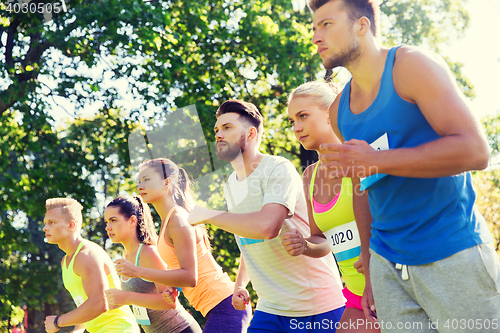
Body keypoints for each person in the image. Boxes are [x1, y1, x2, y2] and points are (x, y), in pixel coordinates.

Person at [308, 0, 500, 330]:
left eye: (326, 24)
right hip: (387, 267)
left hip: (452, 250)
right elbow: (362, 187)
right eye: (313, 28)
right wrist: (369, 267)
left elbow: (475, 151)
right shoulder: (339, 110)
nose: (315, 37)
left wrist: (377, 160)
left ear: (362, 25)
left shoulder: (411, 66)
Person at [189, 100, 346, 332]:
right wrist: (240, 283)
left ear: (251, 133)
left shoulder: (277, 168)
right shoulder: (231, 185)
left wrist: (209, 215)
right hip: (270, 309)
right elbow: (249, 238)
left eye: (227, 128)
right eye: (217, 130)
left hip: (317, 307)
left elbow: (266, 227)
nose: (219, 135)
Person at [282, 81, 379, 333]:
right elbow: (322, 240)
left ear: (330, 113)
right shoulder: (309, 176)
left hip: (388, 286)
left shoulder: (364, 155)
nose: (296, 127)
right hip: (356, 295)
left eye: (303, 116)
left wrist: (372, 255)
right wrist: (305, 245)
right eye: (292, 121)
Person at [113, 158, 251, 333]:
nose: (140, 186)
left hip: (225, 304)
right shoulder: (168, 221)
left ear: (166, 182)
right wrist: (171, 287)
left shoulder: (178, 219)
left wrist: (137, 271)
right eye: (139, 181)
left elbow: (190, 277)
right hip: (216, 307)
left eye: (147, 179)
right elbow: (183, 272)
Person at [103, 195, 202, 333]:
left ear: (132, 221)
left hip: (180, 329)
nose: (108, 227)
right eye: (107, 221)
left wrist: (127, 298)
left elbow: (170, 302)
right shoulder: (125, 255)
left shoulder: (149, 253)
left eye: (113, 220)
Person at [42, 198, 139, 333]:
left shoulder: (86, 255)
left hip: (118, 328)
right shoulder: (66, 260)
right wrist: (77, 330)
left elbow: (99, 303)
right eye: (46, 223)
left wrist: (59, 321)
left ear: (71, 225)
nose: (45, 227)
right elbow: (84, 304)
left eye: (52, 222)